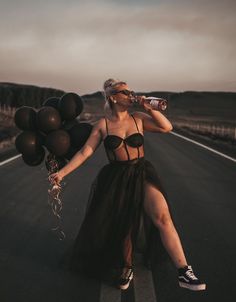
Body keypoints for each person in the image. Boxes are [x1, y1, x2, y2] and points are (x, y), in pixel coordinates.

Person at [49, 78, 206, 291]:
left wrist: (148, 106)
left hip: (141, 171)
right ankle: (126, 266)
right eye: (124, 92)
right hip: (117, 176)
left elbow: (166, 127)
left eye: (130, 90)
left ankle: (184, 271)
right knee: (124, 225)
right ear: (113, 97)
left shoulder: (138, 118)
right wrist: (62, 173)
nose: (130, 94)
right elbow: (85, 152)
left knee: (163, 216)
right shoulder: (103, 125)